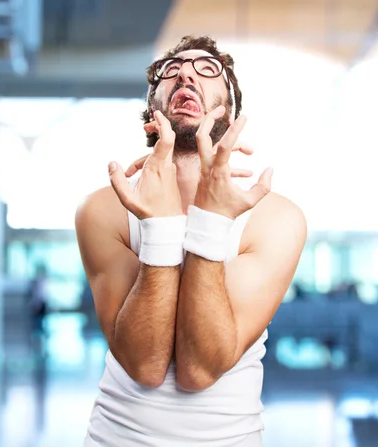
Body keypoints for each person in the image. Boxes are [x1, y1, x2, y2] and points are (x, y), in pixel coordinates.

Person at [75, 35, 307, 446]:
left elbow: (199, 369)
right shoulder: (103, 210)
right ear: (152, 113)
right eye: (172, 70)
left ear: (230, 112)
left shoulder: (275, 218)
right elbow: (144, 365)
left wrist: (211, 222)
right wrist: (161, 226)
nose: (185, 73)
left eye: (207, 69)